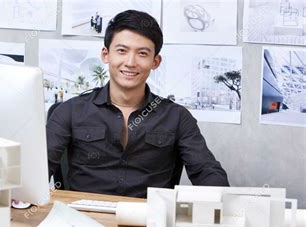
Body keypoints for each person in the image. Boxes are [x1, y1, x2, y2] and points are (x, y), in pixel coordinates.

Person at [46, 10, 229, 198]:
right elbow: (38, 169)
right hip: (82, 219)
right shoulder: (69, 111)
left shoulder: (177, 118)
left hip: (149, 221)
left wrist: (219, 203)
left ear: (155, 61)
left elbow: (207, 171)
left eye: (142, 53)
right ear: (106, 54)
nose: (130, 62)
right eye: (122, 51)